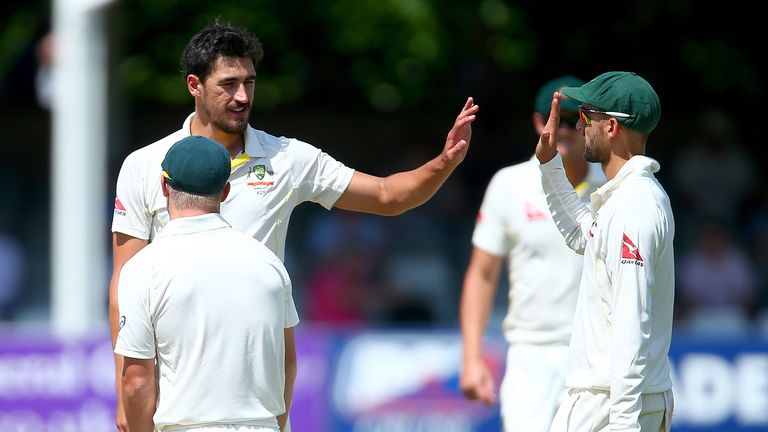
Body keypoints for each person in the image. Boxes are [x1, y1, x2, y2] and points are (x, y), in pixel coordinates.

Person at [110, 21, 477, 430]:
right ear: (194, 85)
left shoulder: (286, 157)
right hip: (177, 385)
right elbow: (125, 281)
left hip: (256, 391)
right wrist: (125, 390)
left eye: (250, 82)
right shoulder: (145, 164)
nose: (243, 96)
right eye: (228, 84)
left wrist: (444, 163)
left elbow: (387, 196)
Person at [115, 136, 299, 432]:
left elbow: (136, 381)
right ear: (225, 191)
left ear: (164, 186)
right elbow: (287, 362)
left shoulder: (142, 268)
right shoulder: (269, 263)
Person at [459, 76, 605, 431]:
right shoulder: (510, 184)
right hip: (531, 354)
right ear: (539, 122)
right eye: (556, 119)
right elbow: (482, 273)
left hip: (598, 353)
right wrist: (472, 357)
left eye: (575, 120)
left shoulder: (612, 185)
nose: (565, 130)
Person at [535, 71, 674, 431]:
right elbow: (583, 234)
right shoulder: (626, 197)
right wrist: (550, 165)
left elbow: (632, 322)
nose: (579, 127)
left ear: (611, 127)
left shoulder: (634, 206)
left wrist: (624, 424)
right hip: (607, 398)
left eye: (585, 116)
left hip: (610, 403)